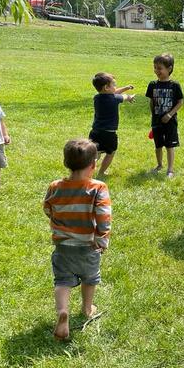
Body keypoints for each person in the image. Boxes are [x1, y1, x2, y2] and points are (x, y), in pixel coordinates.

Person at [43, 139, 112, 341]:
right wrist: (102, 239)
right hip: (88, 246)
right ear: (93, 165)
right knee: (89, 279)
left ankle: (62, 311)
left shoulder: (55, 186)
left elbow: (48, 208)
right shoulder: (98, 188)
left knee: (62, 280)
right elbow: (104, 217)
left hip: (63, 246)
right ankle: (87, 308)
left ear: (66, 163)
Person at [88, 72, 135, 178]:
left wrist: (126, 88)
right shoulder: (114, 99)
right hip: (109, 134)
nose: (116, 87)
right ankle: (101, 172)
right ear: (106, 87)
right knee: (111, 152)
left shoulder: (97, 98)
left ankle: (86, 171)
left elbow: (113, 92)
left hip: (95, 131)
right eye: (114, 84)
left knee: (94, 154)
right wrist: (130, 97)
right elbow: (124, 97)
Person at [146, 53, 183, 178]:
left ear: (169, 69)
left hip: (170, 121)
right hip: (156, 121)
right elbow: (151, 102)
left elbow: (180, 102)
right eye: (155, 67)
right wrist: (153, 116)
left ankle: (170, 169)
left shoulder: (175, 85)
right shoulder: (152, 85)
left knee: (169, 145)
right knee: (158, 145)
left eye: (159, 68)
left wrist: (170, 114)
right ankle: (159, 165)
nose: (156, 70)